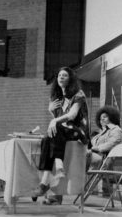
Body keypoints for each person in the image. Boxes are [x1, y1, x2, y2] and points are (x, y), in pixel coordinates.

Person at [32, 66, 89, 205]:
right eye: (59, 75)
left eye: (65, 75)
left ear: (71, 79)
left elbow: (72, 115)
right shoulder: (58, 98)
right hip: (64, 132)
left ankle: (51, 175)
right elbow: (58, 121)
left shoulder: (78, 94)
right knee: (47, 138)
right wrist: (51, 111)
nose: (61, 77)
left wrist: (54, 120)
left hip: (78, 131)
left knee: (54, 130)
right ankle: (48, 181)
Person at [87, 105, 122, 170]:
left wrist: (96, 148)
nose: (102, 119)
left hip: (105, 161)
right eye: (100, 118)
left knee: (78, 157)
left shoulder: (116, 130)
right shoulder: (100, 134)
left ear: (112, 117)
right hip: (96, 160)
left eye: (105, 117)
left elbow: (113, 143)